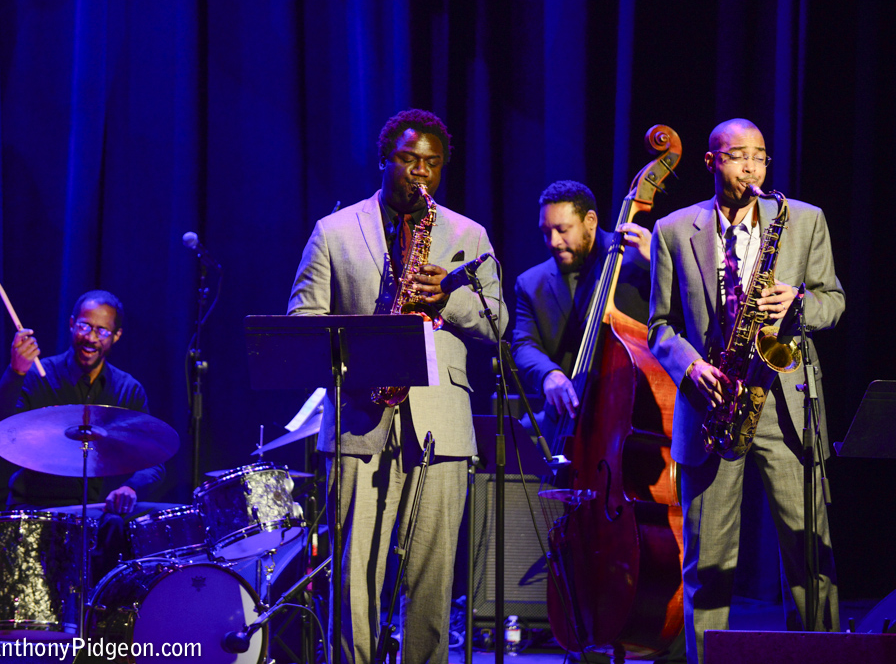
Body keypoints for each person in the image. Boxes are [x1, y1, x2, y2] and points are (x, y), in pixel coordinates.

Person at [288, 109, 506, 664]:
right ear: (385, 160)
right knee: (354, 568)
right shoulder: (333, 232)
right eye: (409, 161)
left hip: (442, 422)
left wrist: (447, 301)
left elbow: (498, 322)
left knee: (433, 575)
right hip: (360, 416)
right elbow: (303, 322)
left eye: (431, 164)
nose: (420, 174)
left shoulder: (467, 234)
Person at [648, 119, 844, 664]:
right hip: (714, 407)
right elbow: (660, 326)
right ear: (711, 163)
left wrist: (798, 303)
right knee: (707, 568)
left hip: (787, 408)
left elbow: (835, 301)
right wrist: (688, 367)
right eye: (738, 156)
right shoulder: (673, 229)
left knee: (811, 559)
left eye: (760, 156)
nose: (752, 167)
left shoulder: (804, 221)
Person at [0, 290, 165, 575]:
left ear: (116, 336)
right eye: (84, 326)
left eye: (102, 330)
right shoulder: (38, 375)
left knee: (137, 527)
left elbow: (155, 462)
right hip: (38, 509)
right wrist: (15, 372)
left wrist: (131, 488)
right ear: (71, 324)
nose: (91, 337)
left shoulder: (128, 390)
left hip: (99, 516)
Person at [512, 180, 652, 447]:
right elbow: (523, 345)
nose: (553, 242)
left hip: (633, 421)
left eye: (562, 230)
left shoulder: (637, 260)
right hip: (566, 424)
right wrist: (548, 375)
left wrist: (660, 259)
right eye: (546, 231)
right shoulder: (531, 284)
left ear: (590, 220)